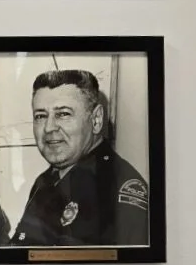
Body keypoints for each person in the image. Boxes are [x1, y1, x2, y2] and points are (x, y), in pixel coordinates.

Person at [8, 68, 150, 246]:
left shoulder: (119, 188)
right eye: (41, 116)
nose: (49, 128)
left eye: (63, 114)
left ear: (96, 120)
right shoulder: (45, 181)